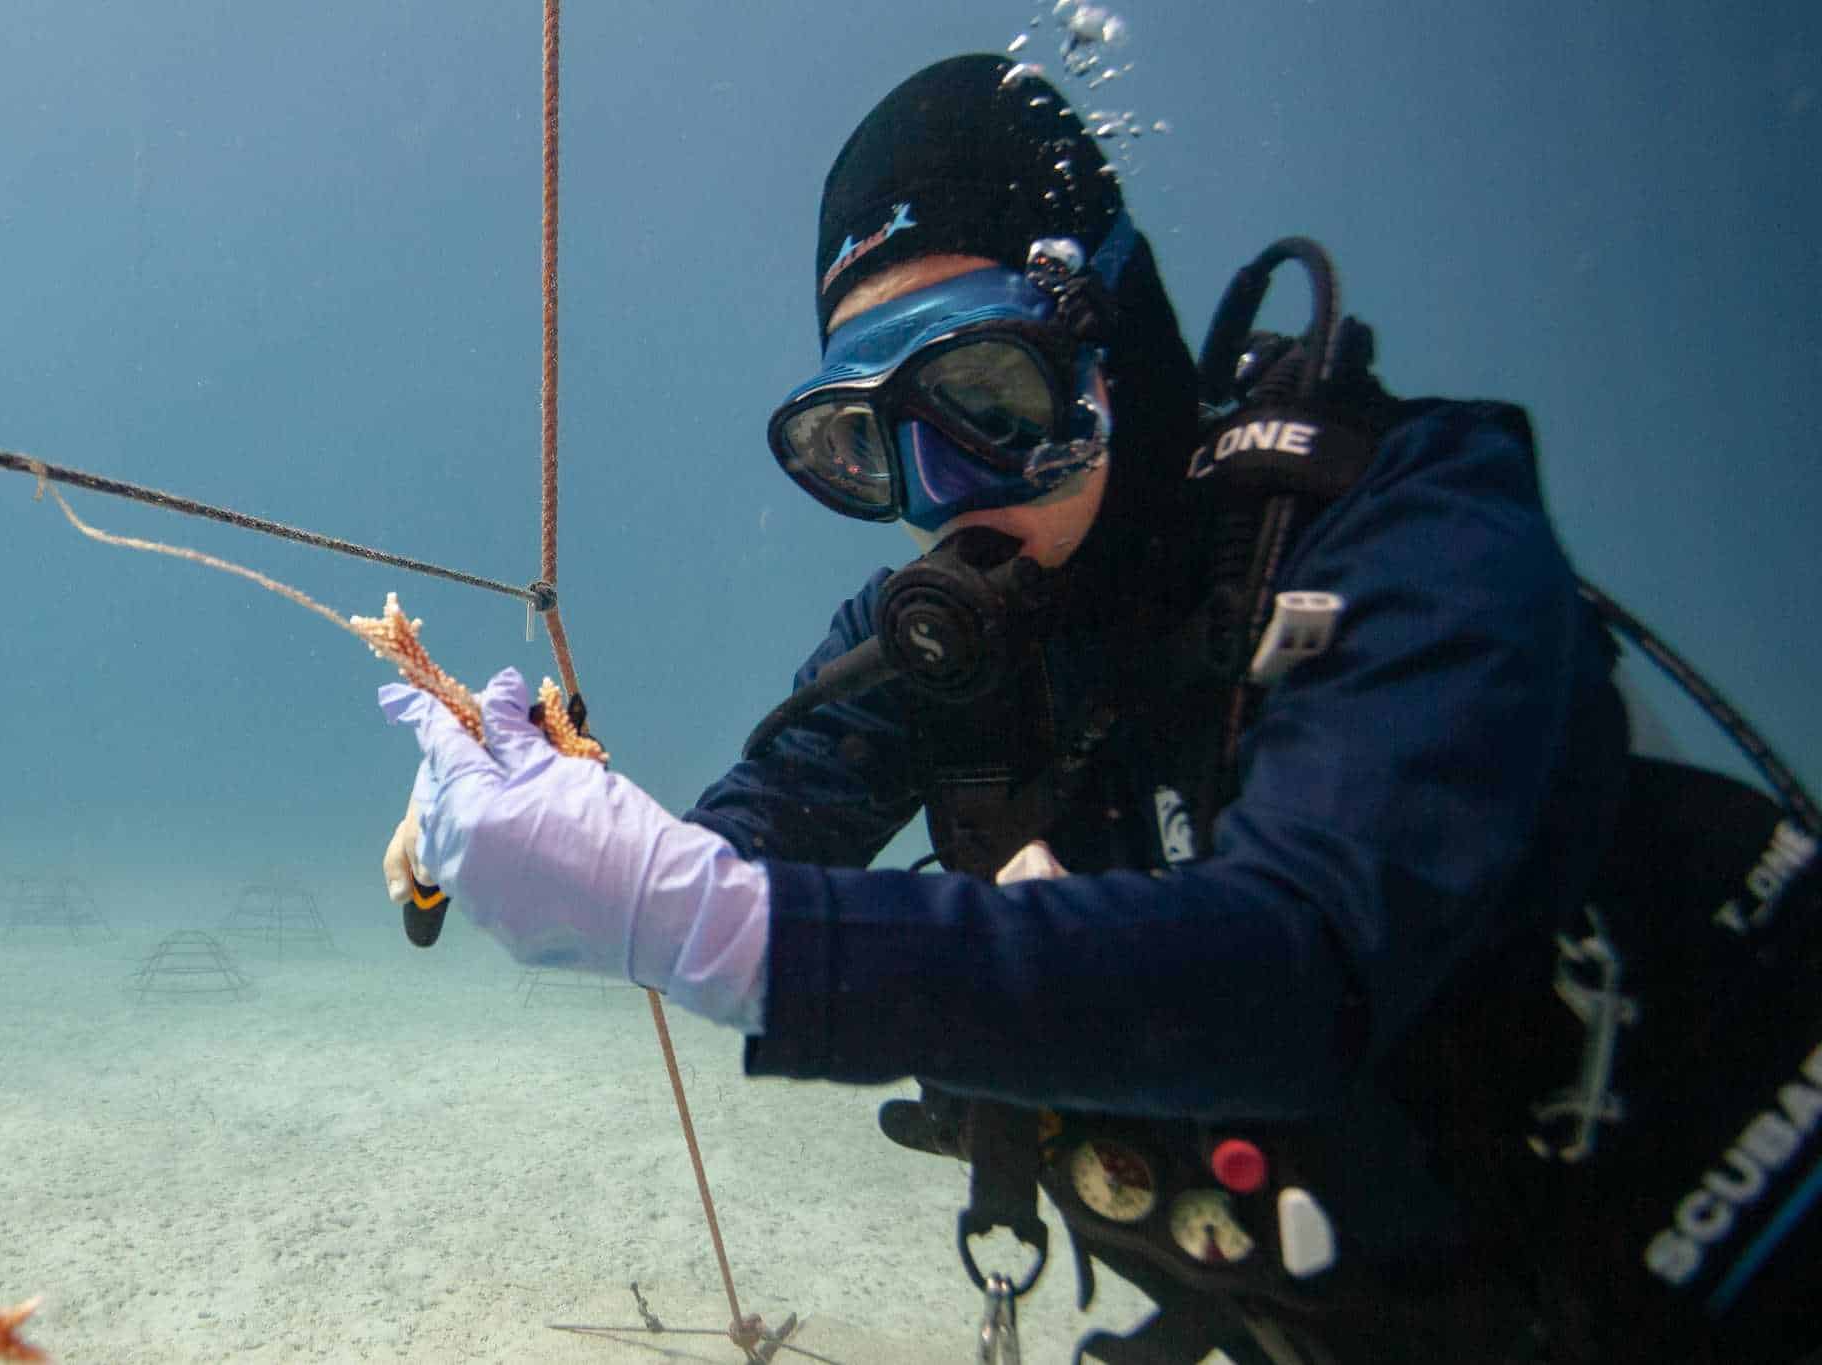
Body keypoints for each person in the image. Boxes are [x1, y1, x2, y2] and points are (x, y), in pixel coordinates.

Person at [378, 55, 1819, 1365]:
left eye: (987, 397)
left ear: (1110, 340)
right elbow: (735, 850)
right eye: (871, 446)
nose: (947, 495)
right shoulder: (933, 641)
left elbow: (1294, 970)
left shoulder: (1411, 534)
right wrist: (542, 806)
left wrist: (697, 920)